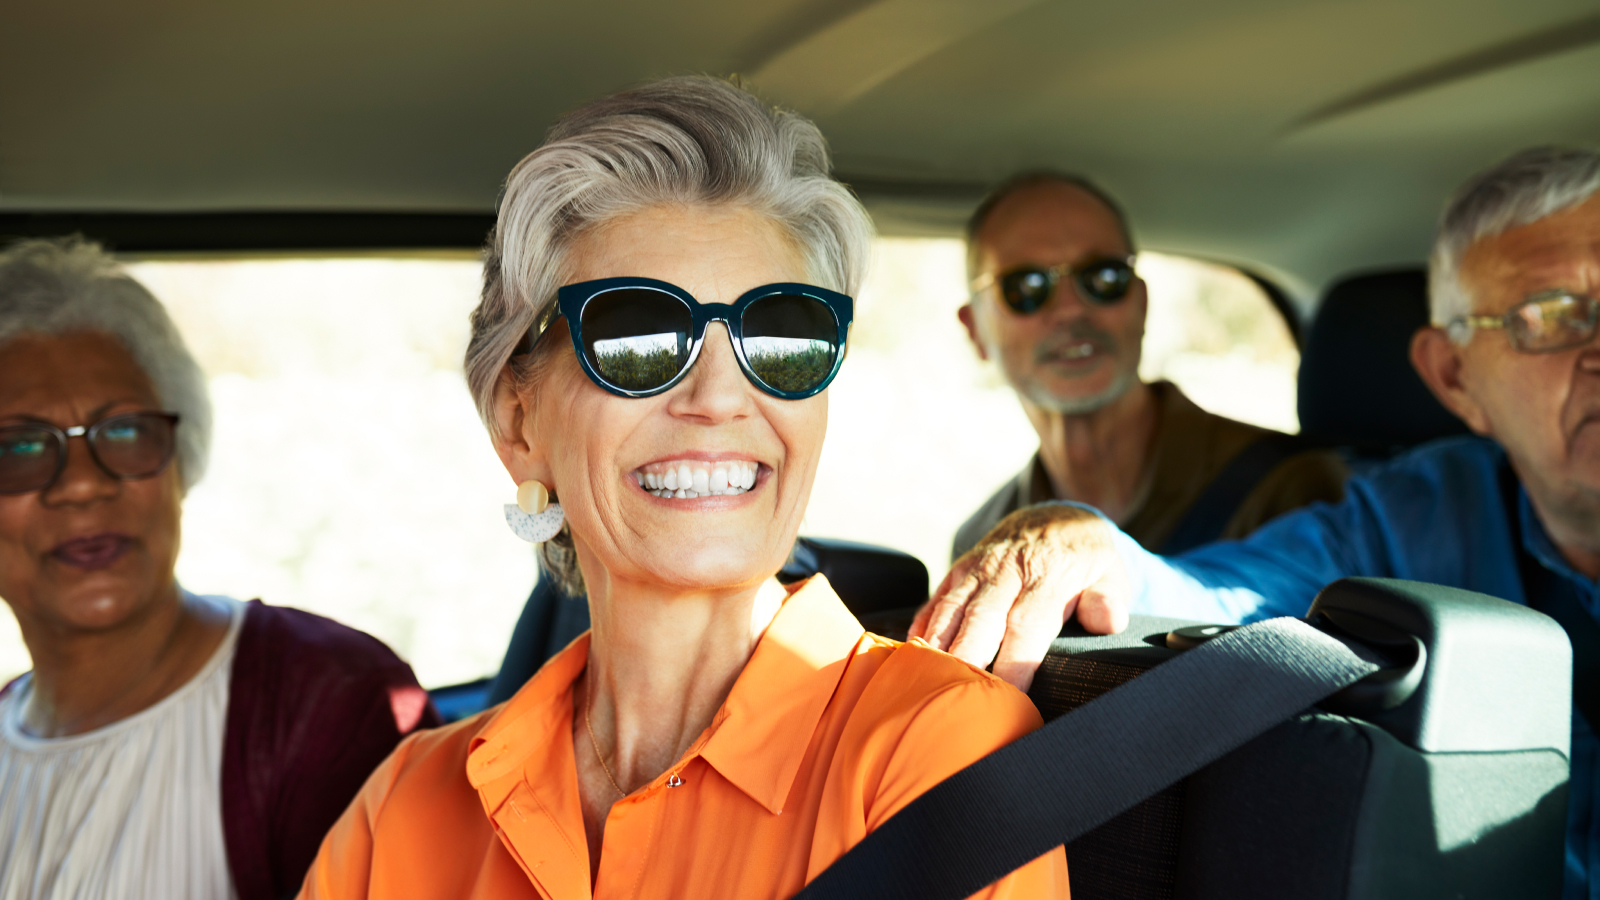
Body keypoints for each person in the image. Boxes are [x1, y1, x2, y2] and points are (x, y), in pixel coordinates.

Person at [297, 77, 1068, 899]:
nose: (718, 398)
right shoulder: (410, 803)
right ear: (520, 426)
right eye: (637, 336)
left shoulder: (934, 747)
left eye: (780, 337)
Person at [913, 146, 1600, 898]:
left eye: (1103, 279)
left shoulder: (1291, 480)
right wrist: (1083, 535)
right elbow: (1222, 604)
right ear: (1453, 377)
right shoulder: (1402, 517)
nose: (1071, 309)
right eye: (1551, 317)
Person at [0, 238, 440, 900]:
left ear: (180, 459)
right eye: (23, 447)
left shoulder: (328, 702)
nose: (84, 485)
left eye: (122, 432)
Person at [953, 171, 1347, 559]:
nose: (1072, 308)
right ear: (975, 331)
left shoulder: (1290, 488)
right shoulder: (983, 545)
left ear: (1141, 303)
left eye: (1104, 277)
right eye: (1026, 287)